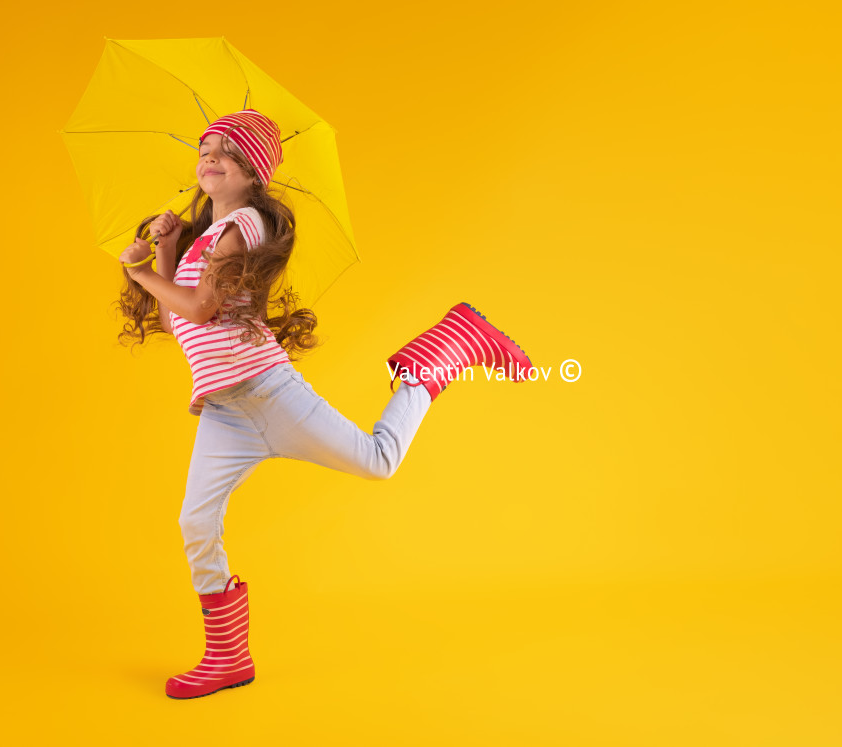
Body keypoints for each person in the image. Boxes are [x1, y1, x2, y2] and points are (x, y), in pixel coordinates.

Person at [115, 109, 533, 700]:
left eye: (225, 153)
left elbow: (202, 309)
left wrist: (135, 269)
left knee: (378, 460)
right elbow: (171, 313)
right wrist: (162, 250)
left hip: (266, 392)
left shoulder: (246, 225)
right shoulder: (202, 239)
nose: (208, 158)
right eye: (204, 150)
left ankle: (442, 353)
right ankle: (227, 658)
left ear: (251, 173)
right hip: (225, 411)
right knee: (195, 522)